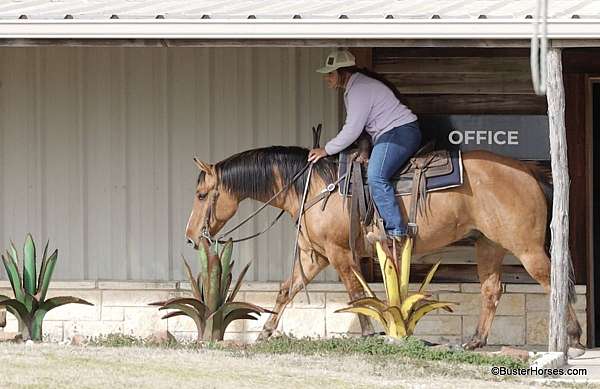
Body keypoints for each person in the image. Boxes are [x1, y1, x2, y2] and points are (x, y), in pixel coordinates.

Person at [307, 49, 421, 245]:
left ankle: (396, 231)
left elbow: (352, 129)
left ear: (344, 72)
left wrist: (326, 150)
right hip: (393, 132)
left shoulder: (359, 90)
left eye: (331, 73)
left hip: (398, 132)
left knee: (376, 176)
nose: (327, 78)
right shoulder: (356, 87)